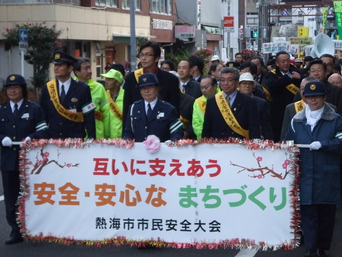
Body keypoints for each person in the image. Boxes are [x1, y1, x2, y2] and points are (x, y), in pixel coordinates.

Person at [285, 81, 342, 257]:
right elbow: (288, 144)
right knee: (308, 214)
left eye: (317, 96)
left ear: (325, 97)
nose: (313, 100)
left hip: (326, 175)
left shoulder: (335, 119)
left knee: (326, 214)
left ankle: (322, 247)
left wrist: (324, 144)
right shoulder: (297, 120)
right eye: (309, 97)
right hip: (305, 174)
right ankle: (310, 248)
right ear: (304, 98)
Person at [0, 74, 48, 244]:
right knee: (11, 197)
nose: (12, 91)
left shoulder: (34, 109)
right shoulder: (2, 110)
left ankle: (36, 227)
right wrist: (2, 138)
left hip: (30, 160)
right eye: (9, 88)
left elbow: (43, 131)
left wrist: (32, 137)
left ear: (22, 90)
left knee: (33, 195)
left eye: (16, 87)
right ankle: (15, 230)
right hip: (8, 161)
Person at [39, 50, 96, 139]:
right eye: (55, 65)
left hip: (75, 142)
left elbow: (89, 118)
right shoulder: (48, 88)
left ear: (70, 69)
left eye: (60, 65)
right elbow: (43, 117)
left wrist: (92, 140)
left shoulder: (82, 89)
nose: (56, 68)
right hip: (54, 141)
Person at [123, 41, 180, 123]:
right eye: (142, 55)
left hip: (162, 126)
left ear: (157, 58)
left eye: (148, 55)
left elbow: (175, 110)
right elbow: (127, 110)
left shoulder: (171, 79)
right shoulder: (131, 78)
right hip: (138, 126)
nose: (143, 58)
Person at [202, 67, 260, 140]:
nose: (226, 83)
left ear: (237, 82)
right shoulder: (212, 101)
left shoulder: (248, 101)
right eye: (222, 80)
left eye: (230, 80)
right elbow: (207, 129)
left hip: (241, 146)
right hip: (218, 146)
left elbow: (254, 129)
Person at [123, 73, 183, 142]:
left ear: (157, 88)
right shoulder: (133, 108)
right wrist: (126, 141)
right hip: (139, 151)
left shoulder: (168, 109)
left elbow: (177, 133)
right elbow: (128, 132)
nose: (146, 91)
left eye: (150, 87)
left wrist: (170, 143)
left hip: (161, 151)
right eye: (143, 88)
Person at [265, 50, 303, 142]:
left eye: (287, 61)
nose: (286, 63)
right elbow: (273, 85)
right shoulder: (271, 74)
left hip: (295, 109)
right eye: (283, 61)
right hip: (278, 112)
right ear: (277, 63)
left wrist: (299, 78)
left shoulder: (297, 72)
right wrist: (289, 79)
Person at [74, 57, 110, 139]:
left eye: (89, 68)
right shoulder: (70, 88)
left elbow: (106, 113)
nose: (89, 71)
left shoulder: (99, 87)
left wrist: (107, 134)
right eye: (85, 69)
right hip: (76, 136)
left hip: (97, 135)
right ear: (77, 72)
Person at [238, 72, 273, 140]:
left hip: (255, 140)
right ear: (239, 85)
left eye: (250, 84)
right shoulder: (233, 101)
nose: (247, 86)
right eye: (244, 83)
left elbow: (266, 127)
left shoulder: (261, 103)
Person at [101, 69, 125, 139]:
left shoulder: (126, 96)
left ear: (117, 83)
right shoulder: (103, 96)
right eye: (106, 79)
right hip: (106, 140)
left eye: (110, 80)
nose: (106, 82)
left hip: (122, 139)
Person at [192, 75, 218, 140]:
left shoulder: (223, 98)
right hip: (203, 141)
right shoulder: (198, 101)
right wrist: (205, 137)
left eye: (206, 87)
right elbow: (196, 124)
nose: (203, 91)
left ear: (215, 86)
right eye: (201, 88)